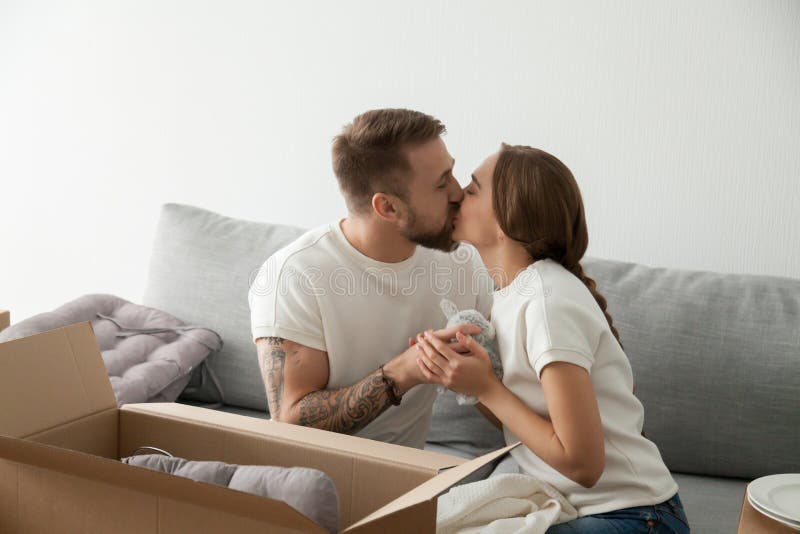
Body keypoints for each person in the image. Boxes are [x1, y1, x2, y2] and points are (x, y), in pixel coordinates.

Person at [414, 144, 690, 532]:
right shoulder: (515, 297)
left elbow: (583, 464)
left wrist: (488, 388)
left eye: (473, 189)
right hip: (581, 508)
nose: (458, 194)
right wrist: (466, 380)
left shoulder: (547, 301)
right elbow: (532, 426)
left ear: (506, 221)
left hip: (637, 517)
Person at [248, 108, 493, 449]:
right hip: (308, 479)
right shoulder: (295, 276)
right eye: (441, 183)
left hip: (408, 480)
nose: (458, 193)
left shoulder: (463, 261)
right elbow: (289, 420)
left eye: (452, 172)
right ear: (388, 208)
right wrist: (404, 372)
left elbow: (506, 386)